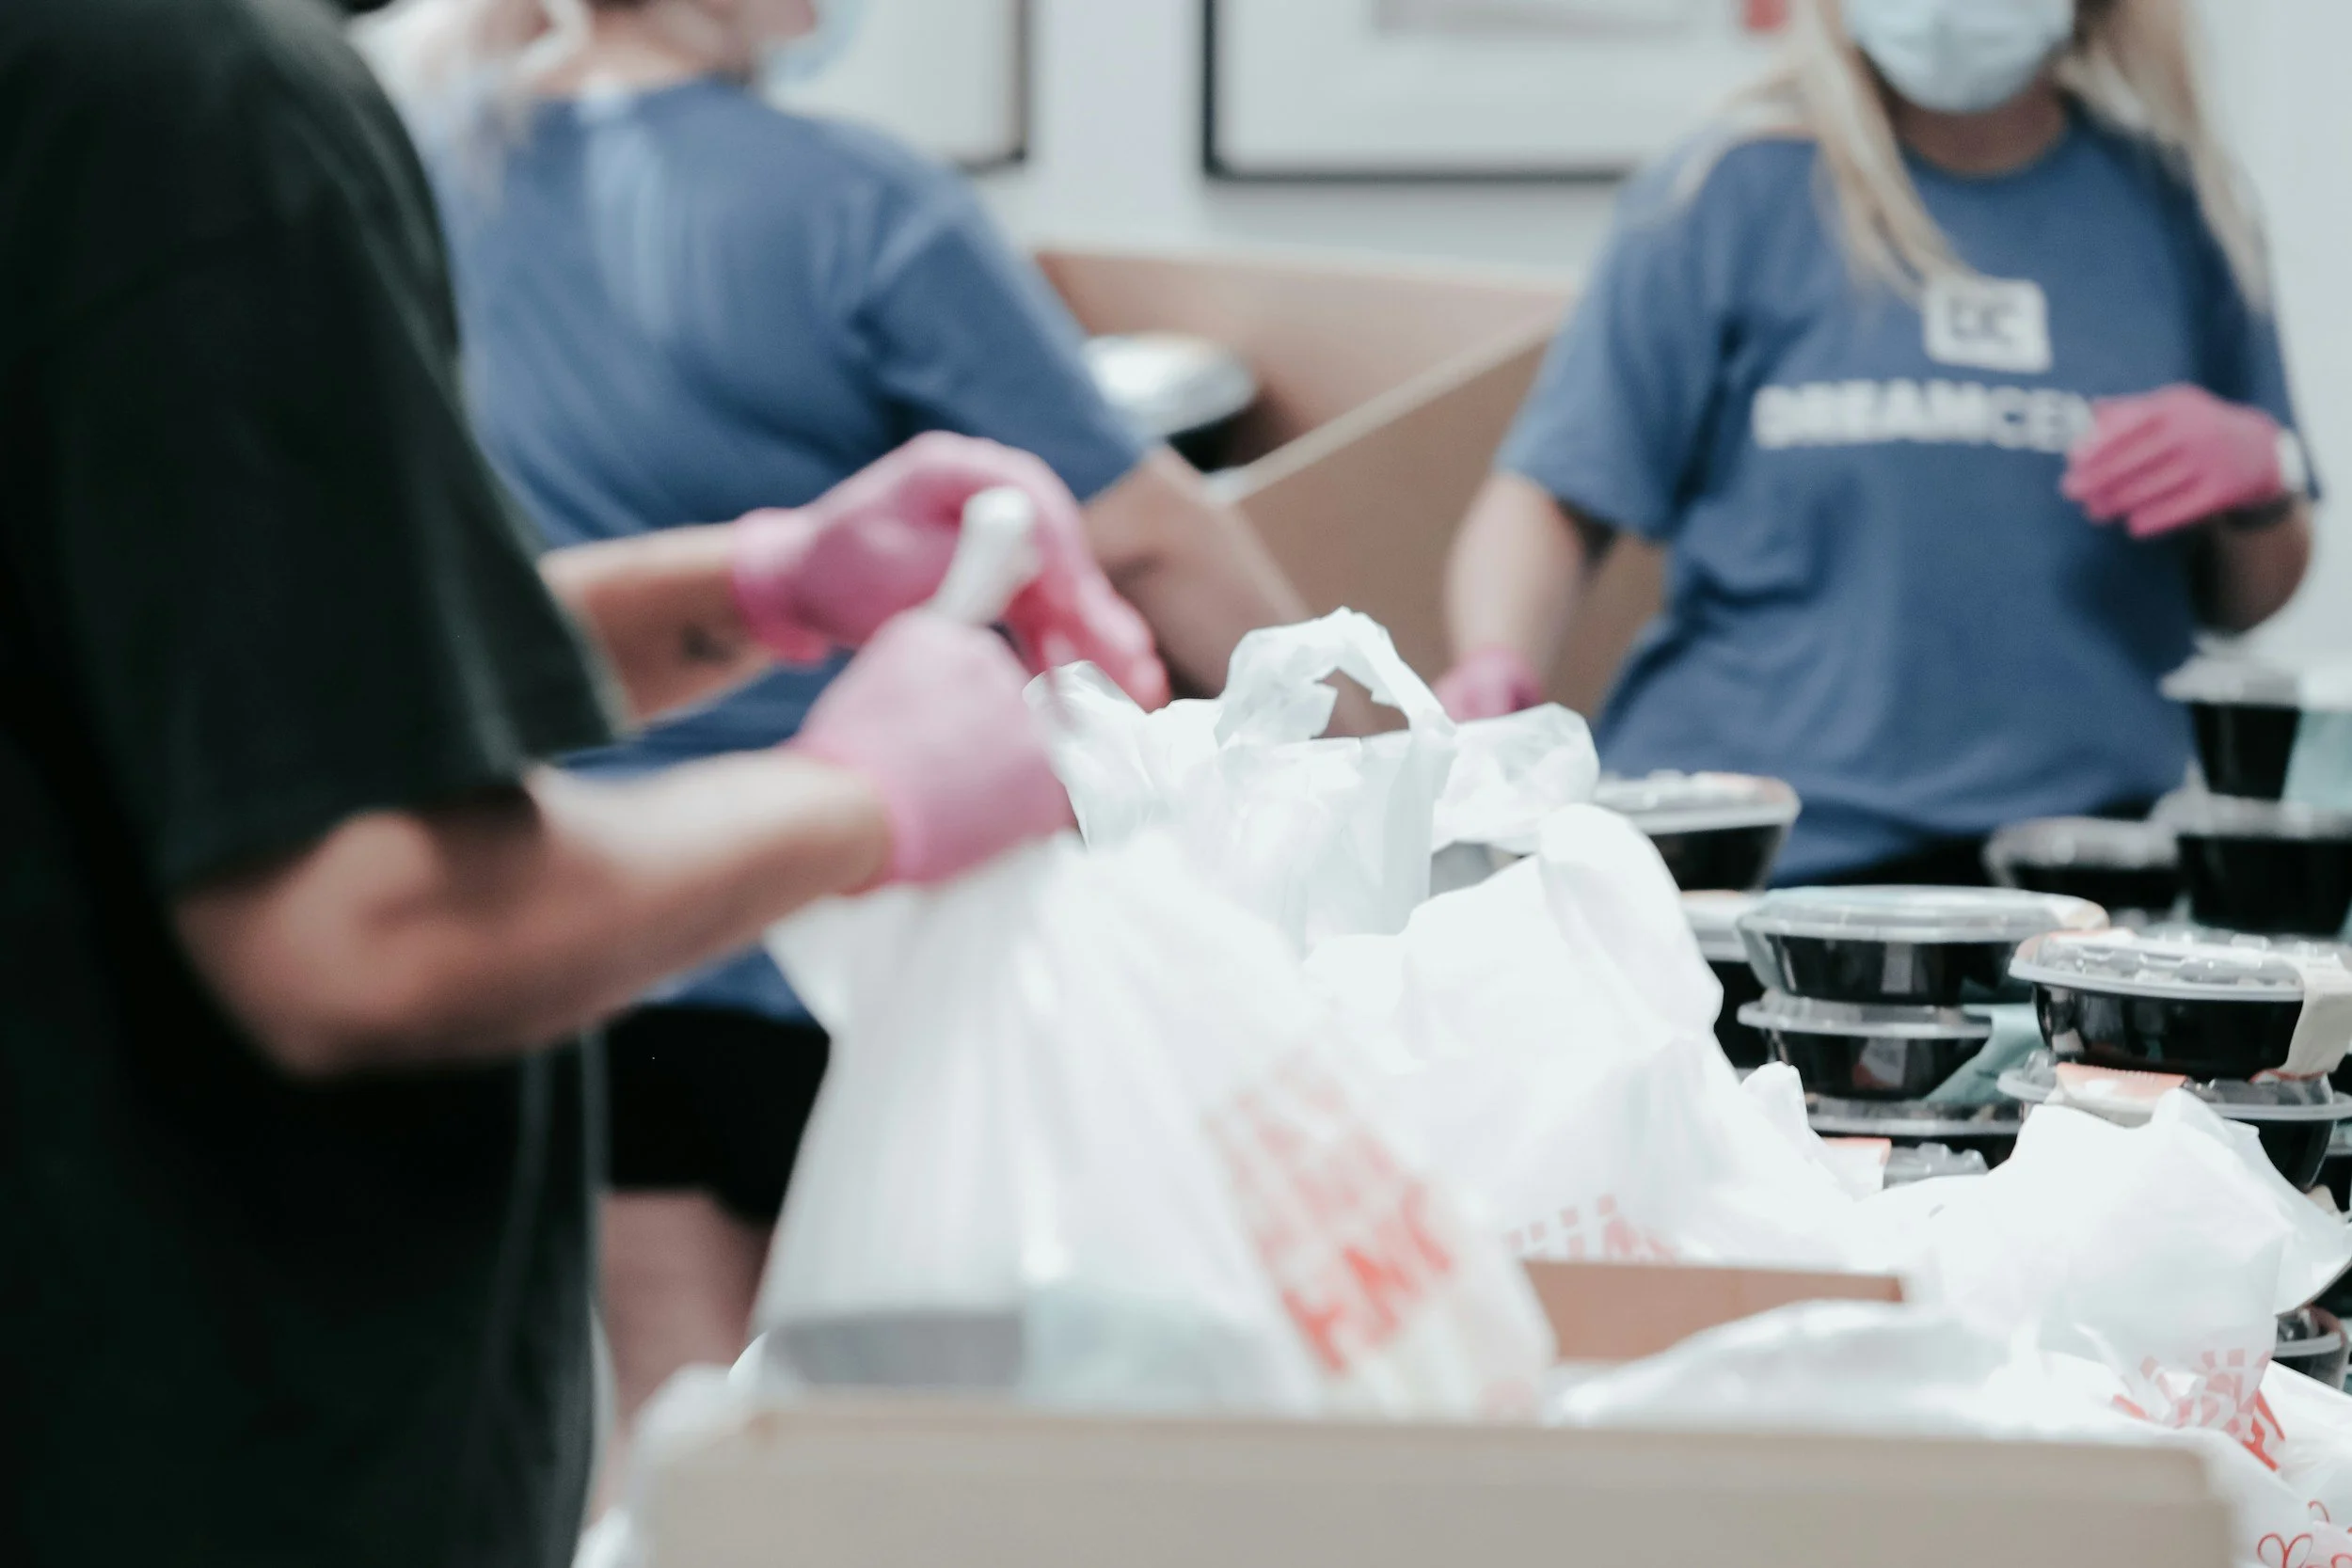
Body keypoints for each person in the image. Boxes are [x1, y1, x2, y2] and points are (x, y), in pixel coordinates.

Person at [0, 1, 1159, 1561]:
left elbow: (263, 663)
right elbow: (367, 924)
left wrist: (759, 588)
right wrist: (865, 792)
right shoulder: (185, 102)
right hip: (213, 1451)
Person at [354, 0, 1334, 1438]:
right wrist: (1373, 776)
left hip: (580, 904)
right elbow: (1146, 537)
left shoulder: (427, 169)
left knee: (669, 1415)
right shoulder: (857, 201)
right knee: (866, 1439)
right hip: (831, 924)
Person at [1436, 0, 2314, 886]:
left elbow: (2245, 601)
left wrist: (2260, 483)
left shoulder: (2174, 212)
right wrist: (1497, 659)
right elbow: (1548, 498)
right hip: (1759, 868)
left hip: (2082, 880)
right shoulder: (1724, 195)